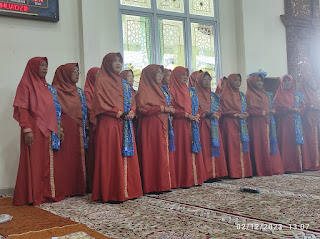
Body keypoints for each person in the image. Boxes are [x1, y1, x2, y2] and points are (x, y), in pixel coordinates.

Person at [91, 53, 142, 202]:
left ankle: (129, 190)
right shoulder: (102, 82)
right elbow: (100, 103)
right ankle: (112, 192)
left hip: (125, 123)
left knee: (126, 155)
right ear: (107, 63)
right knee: (111, 156)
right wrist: (117, 112)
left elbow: (133, 100)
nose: (119, 63)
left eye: (120, 61)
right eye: (115, 61)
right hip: (109, 125)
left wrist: (132, 111)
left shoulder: (125, 84)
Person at [13, 57, 63, 206]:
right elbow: (22, 108)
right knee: (35, 162)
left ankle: (47, 193)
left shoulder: (46, 87)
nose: (45, 68)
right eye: (41, 65)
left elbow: (53, 108)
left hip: (47, 131)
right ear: (33, 67)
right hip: (33, 130)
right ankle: (35, 195)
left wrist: (58, 127)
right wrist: (26, 129)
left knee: (47, 162)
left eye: (46, 66)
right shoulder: (25, 84)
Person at [136, 64, 176, 193]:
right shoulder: (144, 90)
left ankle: (162, 184)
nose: (161, 76)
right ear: (150, 75)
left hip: (161, 125)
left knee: (161, 153)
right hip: (150, 127)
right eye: (158, 73)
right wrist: (162, 109)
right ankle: (152, 185)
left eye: (161, 73)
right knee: (152, 154)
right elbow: (142, 109)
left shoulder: (161, 90)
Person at [52, 63, 88, 197]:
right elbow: (51, 112)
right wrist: (58, 128)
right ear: (65, 73)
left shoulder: (79, 92)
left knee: (76, 156)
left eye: (78, 71)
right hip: (62, 128)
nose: (77, 74)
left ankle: (77, 188)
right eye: (74, 71)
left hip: (77, 128)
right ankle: (63, 188)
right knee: (63, 157)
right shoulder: (54, 90)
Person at [169, 66, 206, 188]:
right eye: (182, 75)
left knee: (193, 149)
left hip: (193, 124)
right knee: (183, 151)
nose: (185, 77)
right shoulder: (172, 91)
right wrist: (186, 115)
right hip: (180, 125)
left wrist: (197, 115)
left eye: (186, 75)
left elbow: (198, 107)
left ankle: (195, 178)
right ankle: (184, 180)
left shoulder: (191, 91)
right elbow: (171, 109)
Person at [246, 74, 284, 176]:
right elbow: (248, 110)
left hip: (267, 122)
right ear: (252, 82)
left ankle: (270, 168)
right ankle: (261, 169)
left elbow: (270, 105)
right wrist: (263, 112)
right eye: (257, 81)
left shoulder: (265, 93)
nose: (259, 83)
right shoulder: (249, 94)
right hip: (256, 124)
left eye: (261, 81)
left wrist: (272, 110)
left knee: (268, 144)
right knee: (259, 144)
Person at [195, 71, 228, 181]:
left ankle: (216, 173)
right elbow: (196, 109)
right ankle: (207, 174)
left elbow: (219, 109)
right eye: (205, 79)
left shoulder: (213, 96)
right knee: (206, 148)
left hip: (214, 123)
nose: (207, 82)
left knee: (215, 147)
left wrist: (218, 114)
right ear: (199, 81)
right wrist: (207, 114)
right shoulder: (195, 94)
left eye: (209, 79)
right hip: (202, 125)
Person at [274, 74, 310, 173]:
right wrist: (288, 109)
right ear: (282, 83)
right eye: (285, 81)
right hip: (284, 124)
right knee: (287, 144)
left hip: (296, 122)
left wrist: (298, 110)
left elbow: (303, 106)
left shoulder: (297, 95)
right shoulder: (279, 95)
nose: (287, 83)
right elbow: (276, 109)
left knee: (297, 143)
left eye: (288, 81)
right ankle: (287, 167)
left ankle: (299, 165)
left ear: (292, 82)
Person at [220, 74, 252, 178]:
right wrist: (236, 114)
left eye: (239, 80)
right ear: (230, 82)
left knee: (243, 145)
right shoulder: (224, 94)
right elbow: (223, 109)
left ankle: (245, 171)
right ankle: (234, 172)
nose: (238, 82)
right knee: (233, 146)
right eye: (235, 80)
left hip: (241, 122)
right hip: (230, 123)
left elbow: (245, 108)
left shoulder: (241, 95)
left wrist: (245, 113)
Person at [84, 67, 100, 192]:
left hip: (103, 125)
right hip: (94, 127)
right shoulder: (87, 92)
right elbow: (90, 108)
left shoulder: (102, 89)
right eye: (97, 75)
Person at [300, 74, 320, 170]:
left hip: (316, 120)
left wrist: (314, 107)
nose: (314, 83)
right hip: (307, 121)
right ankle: (311, 164)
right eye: (311, 81)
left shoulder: (315, 93)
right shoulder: (303, 93)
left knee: (315, 141)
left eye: (314, 81)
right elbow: (304, 105)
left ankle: (316, 162)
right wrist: (312, 106)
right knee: (310, 141)